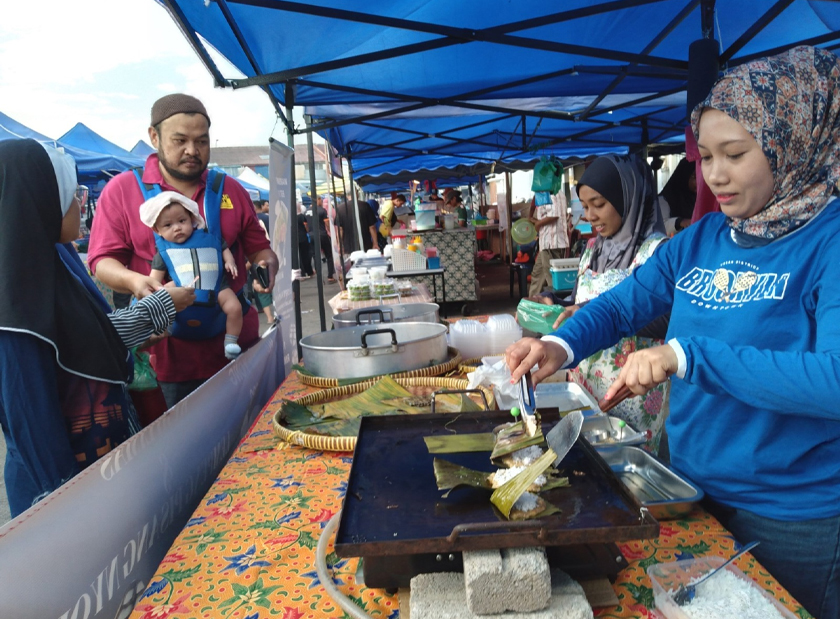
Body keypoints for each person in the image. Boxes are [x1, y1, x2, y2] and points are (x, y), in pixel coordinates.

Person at [506, 46, 840, 618]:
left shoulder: (828, 244)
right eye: (705, 156)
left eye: (735, 154)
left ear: (795, 144)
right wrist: (557, 345)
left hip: (793, 514)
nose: (714, 175)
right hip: (689, 490)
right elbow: (621, 306)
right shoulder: (703, 238)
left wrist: (688, 356)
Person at [0, 139, 195, 517]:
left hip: (105, 463)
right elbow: (29, 418)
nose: (80, 204)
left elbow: (91, 337)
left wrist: (153, 314)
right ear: (39, 200)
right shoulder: (12, 305)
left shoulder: (55, 260)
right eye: (74, 194)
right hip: (67, 495)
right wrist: (65, 509)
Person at [88, 93, 277, 408]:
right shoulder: (122, 190)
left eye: (202, 141)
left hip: (236, 348)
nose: (193, 150)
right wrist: (136, 282)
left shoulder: (230, 189)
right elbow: (101, 261)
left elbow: (260, 248)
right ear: (154, 136)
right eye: (180, 140)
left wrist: (265, 268)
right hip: (166, 363)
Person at [529, 155, 669, 452]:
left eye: (599, 204)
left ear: (626, 199)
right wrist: (553, 301)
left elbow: (669, 317)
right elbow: (579, 299)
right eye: (585, 205)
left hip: (631, 389)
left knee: (627, 468)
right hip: (582, 384)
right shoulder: (593, 248)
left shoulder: (657, 252)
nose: (590, 215)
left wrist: (588, 311)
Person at [139, 192, 243, 359]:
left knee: (235, 307)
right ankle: (164, 327)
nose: (177, 228)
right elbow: (153, 281)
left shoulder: (208, 238)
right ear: (156, 230)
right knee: (161, 295)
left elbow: (223, 248)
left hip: (218, 287)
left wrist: (229, 261)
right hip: (181, 286)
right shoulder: (163, 252)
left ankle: (231, 342)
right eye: (168, 225)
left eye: (182, 221)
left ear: (192, 219)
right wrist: (155, 293)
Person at [527, 191, 570, 297]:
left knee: (552, 279)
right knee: (537, 275)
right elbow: (535, 205)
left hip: (553, 243)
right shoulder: (542, 194)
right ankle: (532, 306)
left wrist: (538, 224)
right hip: (545, 242)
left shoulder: (555, 194)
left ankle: (558, 306)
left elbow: (554, 215)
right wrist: (531, 216)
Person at [658, 158, 696, 234]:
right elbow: (661, 226)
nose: (697, 182)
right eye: (693, 177)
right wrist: (679, 222)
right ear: (684, 176)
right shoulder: (665, 199)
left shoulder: (698, 199)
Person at [306, 199, 336, 283]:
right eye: (321, 201)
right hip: (322, 234)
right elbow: (326, 223)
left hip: (312, 235)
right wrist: (330, 231)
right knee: (329, 255)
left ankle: (319, 277)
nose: (322, 203)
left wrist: (309, 232)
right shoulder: (322, 210)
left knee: (316, 256)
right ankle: (330, 276)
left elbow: (306, 226)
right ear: (317, 200)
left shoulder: (306, 212)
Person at [297, 202, 313, 278]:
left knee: (299, 256)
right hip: (303, 238)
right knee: (306, 255)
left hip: (296, 239)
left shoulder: (291, 217)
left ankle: (302, 273)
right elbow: (306, 226)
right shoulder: (301, 216)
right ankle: (309, 271)